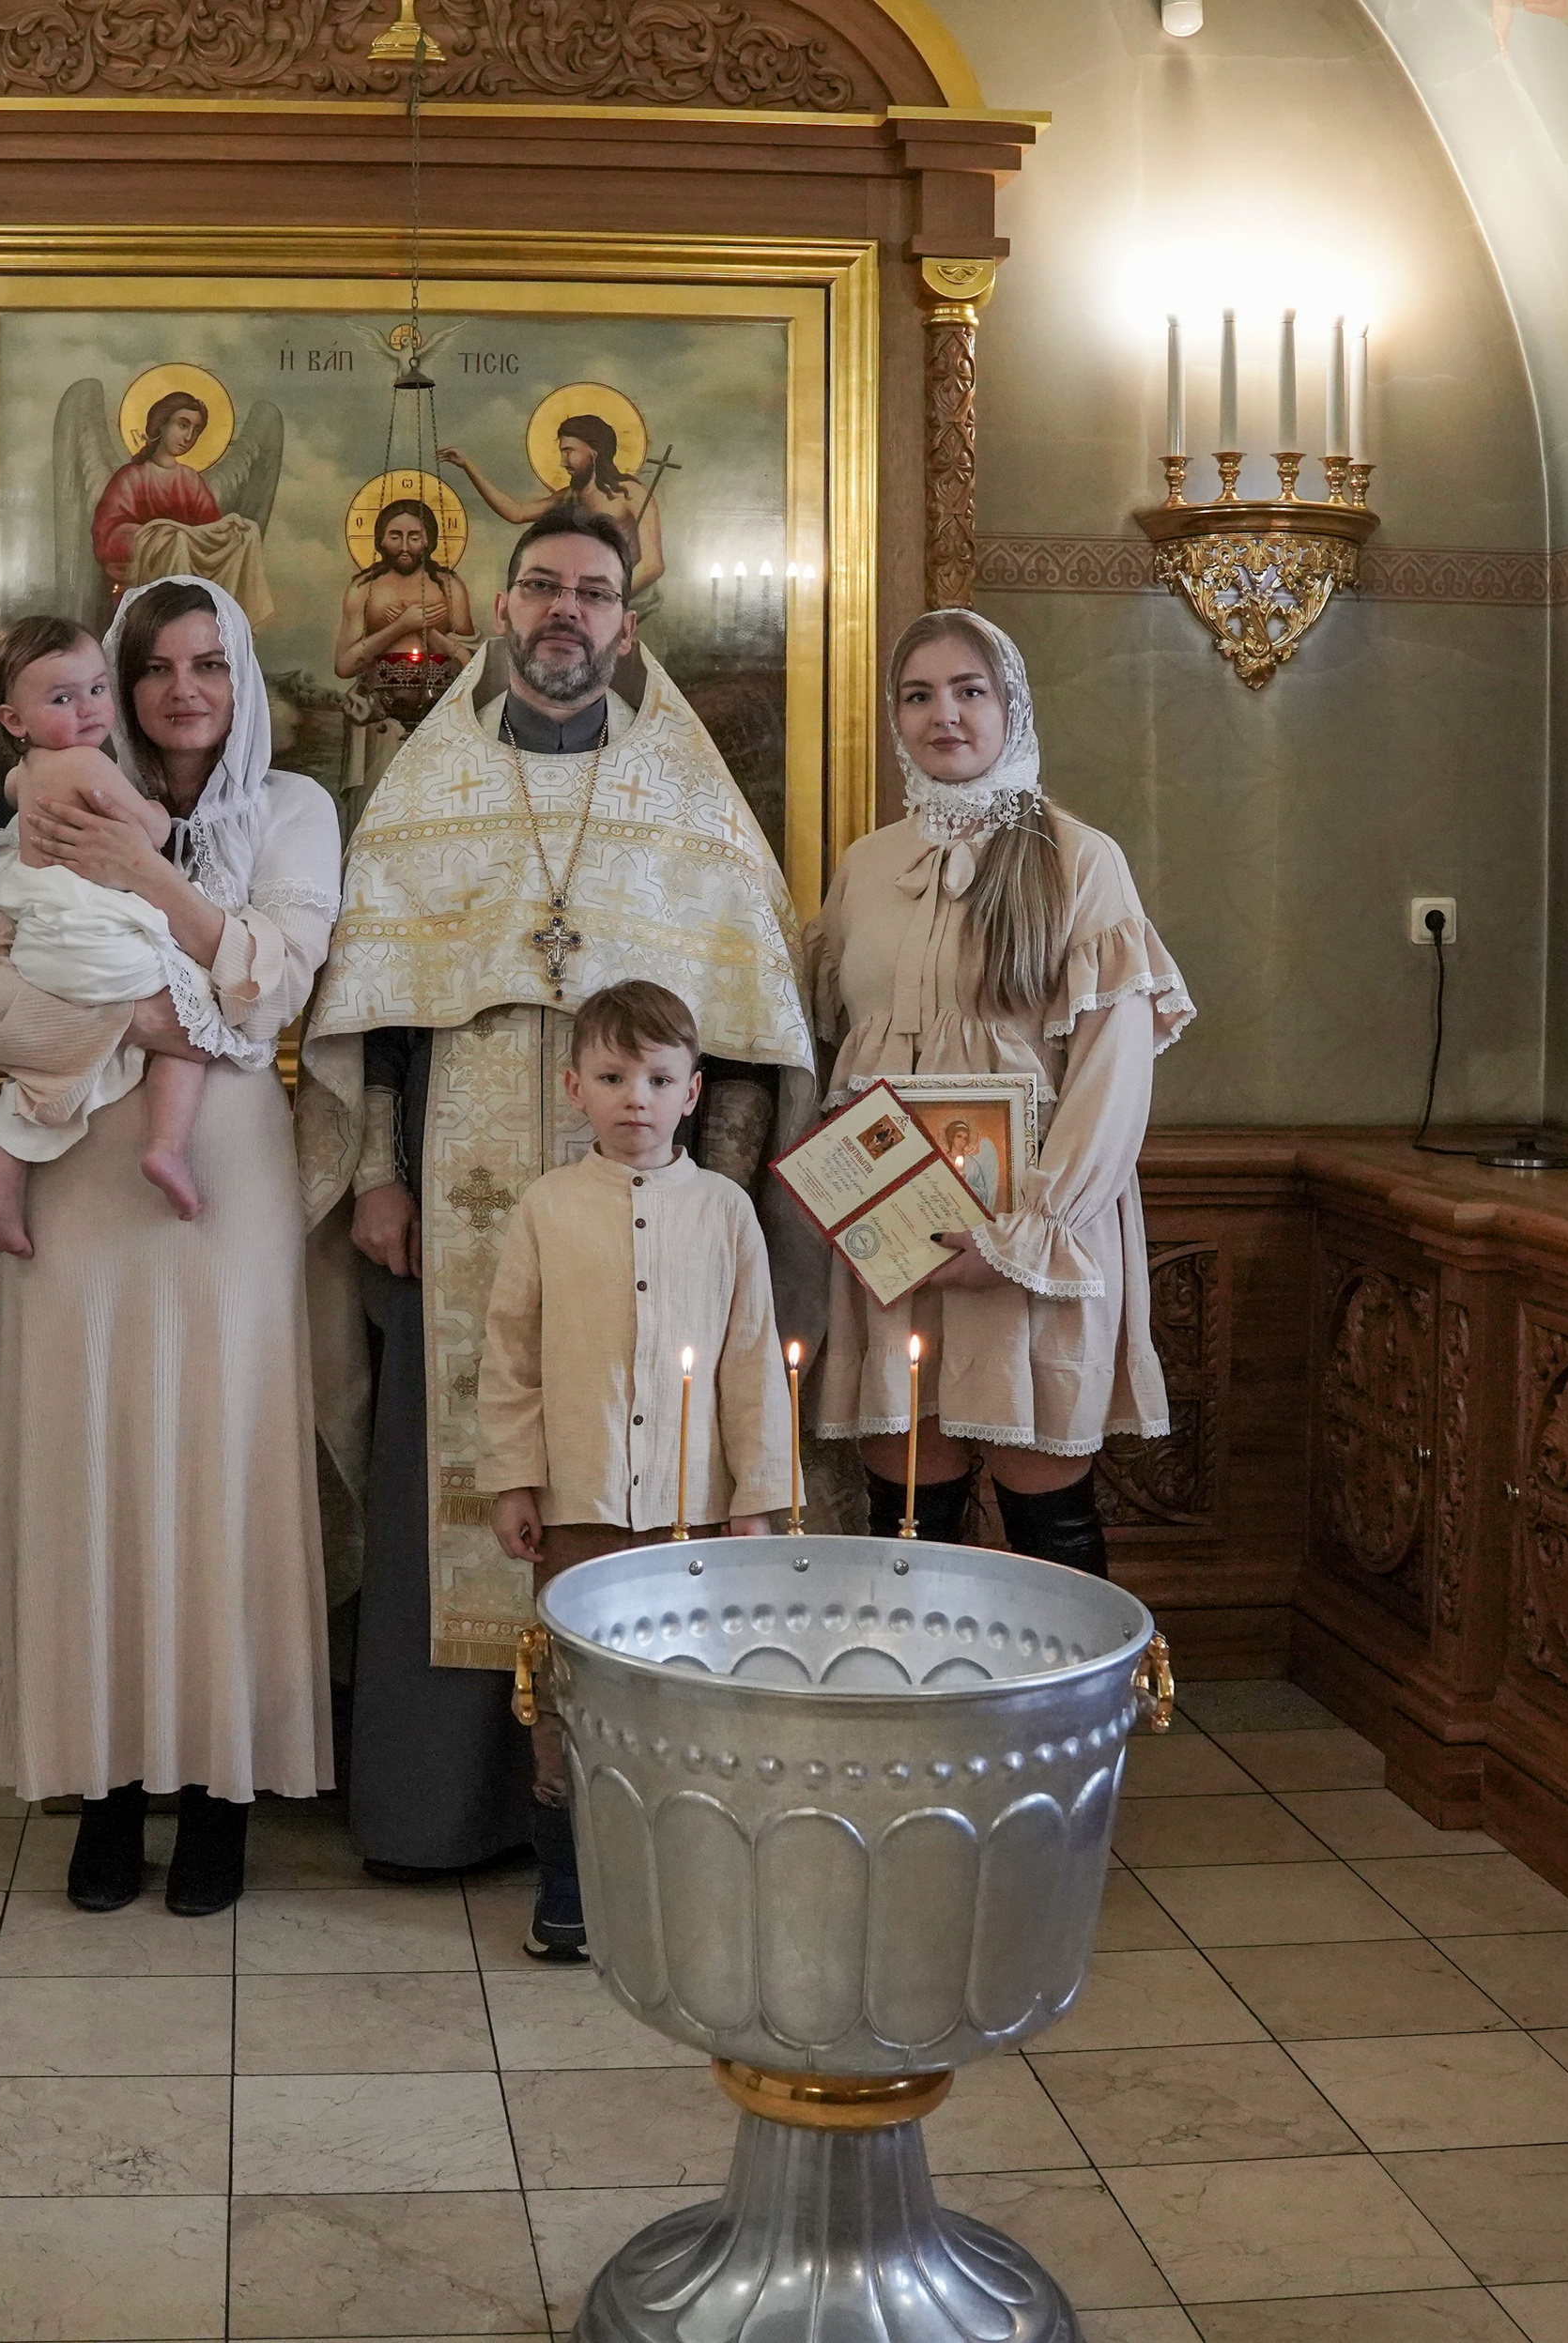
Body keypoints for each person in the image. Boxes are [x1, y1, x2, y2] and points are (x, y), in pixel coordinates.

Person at [298, 510, 815, 1878]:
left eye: (594, 592)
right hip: (453, 1195)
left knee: (646, 1492)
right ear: (504, 610)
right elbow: (386, 1015)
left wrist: (729, 1183)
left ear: (627, 625)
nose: (564, 612)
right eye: (541, 587)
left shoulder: (691, 802)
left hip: (656, 1211)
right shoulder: (428, 787)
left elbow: (749, 1021)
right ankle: (445, 1810)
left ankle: (637, 1820)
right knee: (462, 1481)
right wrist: (374, 1175)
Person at [0, 577, 339, 1917]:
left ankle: (222, 1788)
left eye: (210, 665)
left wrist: (152, 884)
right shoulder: (57, 803)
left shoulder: (296, 812)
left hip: (222, 1172)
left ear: (243, 681)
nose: (185, 690)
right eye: (158, 665)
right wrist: (142, 1024)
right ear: (117, 678)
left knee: (218, 1460)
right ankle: (105, 1786)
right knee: (93, 1458)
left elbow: (273, 977)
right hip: (76, 1165)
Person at [807, 608, 1195, 1571]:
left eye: (968, 690)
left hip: (1031, 1239)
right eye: (919, 693)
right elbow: (832, 1060)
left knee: (1045, 1525)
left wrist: (1023, 1235)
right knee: (905, 1517)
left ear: (1008, 703)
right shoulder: (862, 869)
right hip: (896, 1238)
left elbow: (1112, 1070)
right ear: (895, 715)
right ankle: (909, 1717)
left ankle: (1054, 1721)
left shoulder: (1078, 859)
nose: (945, 713)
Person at [478, 981, 795, 1958]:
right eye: (612, 1077)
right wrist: (512, 1478)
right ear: (575, 1086)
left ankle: (684, 1882)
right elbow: (510, 1356)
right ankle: (568, 1884)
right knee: (570, 1694)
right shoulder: (544, 1207)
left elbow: (750, 1356)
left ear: (692, 1091)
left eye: (657, 1078)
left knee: (687, 1694)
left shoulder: (726, 1211)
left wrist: (757, 1499)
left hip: (693, 1512)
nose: (635, 1098)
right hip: (578, 1503)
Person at [0, 616, 222, 1247]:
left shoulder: (25, 775)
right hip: (93, 940)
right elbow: (153, 832)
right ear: (13, 720)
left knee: (45, 1070)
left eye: (97, 690)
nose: (87, 710)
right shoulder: (87, 764)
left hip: (42, 950)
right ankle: (165, 1145)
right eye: (61, 698)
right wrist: (157, 814)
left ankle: (1, 1177)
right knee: (196, 1009)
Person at [90, 392, 275, 626]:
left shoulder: (190, 480)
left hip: (191, 590)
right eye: (183, 425)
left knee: (245, 531)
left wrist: (230, 529)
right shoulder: (131, 478)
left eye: (196, 431)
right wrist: (165, 537)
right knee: (175, 539)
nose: (189, 436)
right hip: (143, 594)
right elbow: (108, 539)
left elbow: (209, 534)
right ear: (161, 424)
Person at [438, 416, 666, 593]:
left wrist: (614, 597)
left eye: (569, 452)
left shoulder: (632, 494)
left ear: (594, 452)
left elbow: (653, 565)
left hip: (628, 598)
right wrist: (467, 466)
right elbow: (517, 513)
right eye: (562, 453)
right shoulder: (569, 497)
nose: (562, 462)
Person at [333, 497, 478, 678]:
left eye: (414, 538)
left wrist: (424, 629)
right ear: (382, 541)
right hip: (378, 696)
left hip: (440, 697)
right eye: (395, 537)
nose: (404, 547)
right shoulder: (362, 588)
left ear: (428, 541)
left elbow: (470, 665)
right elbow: (344, 666)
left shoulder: (449, 587)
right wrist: (400, 626)